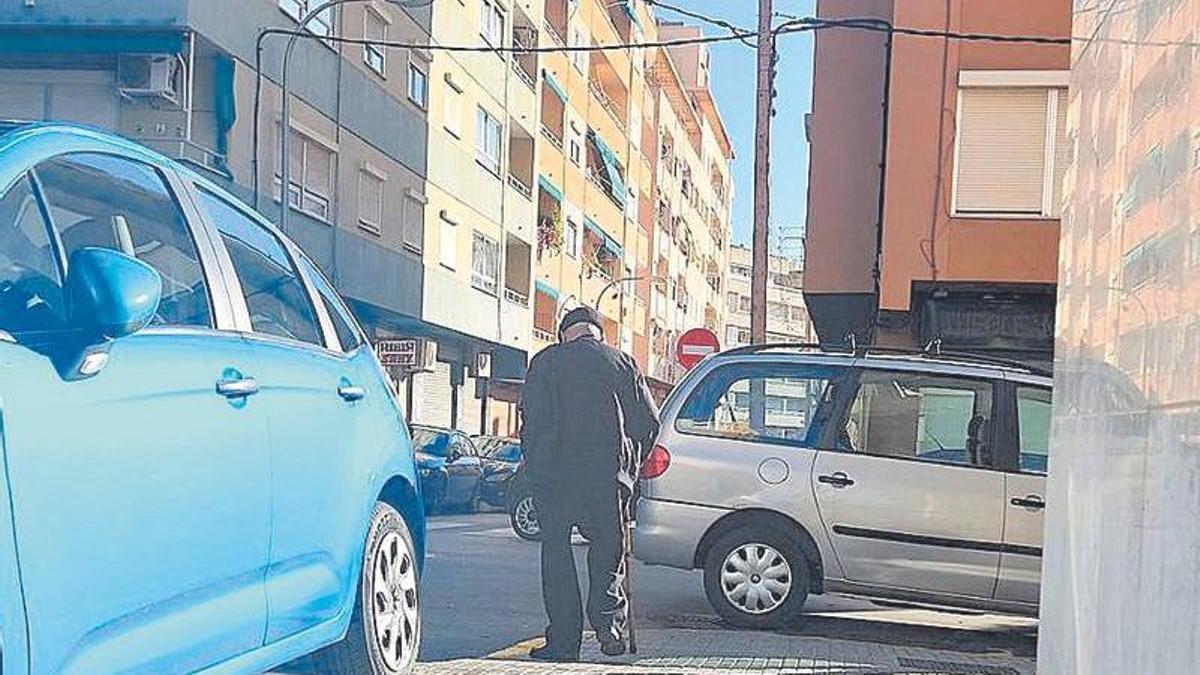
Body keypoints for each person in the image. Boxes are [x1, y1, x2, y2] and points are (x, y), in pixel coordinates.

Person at [520, 306, 660, 662]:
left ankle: (564, 643)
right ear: (598, 333)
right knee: (608, 551)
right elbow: (649, 423)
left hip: (555, 476)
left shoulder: (546, 362)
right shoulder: (623, 363)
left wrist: (535, 464)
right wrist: (630, 465)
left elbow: (531, 420)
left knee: (557, 553)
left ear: (565, 333)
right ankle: (608, 625)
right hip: (607, 477)